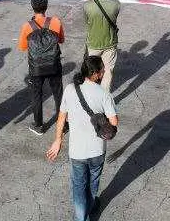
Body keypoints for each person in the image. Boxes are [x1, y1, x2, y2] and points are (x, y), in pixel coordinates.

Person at [46, 55, 119, 221]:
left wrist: (58, 140)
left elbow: (61, 117)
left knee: (79, 187)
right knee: (93, 180)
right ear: (98, 73)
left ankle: (81, 218)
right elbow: (114, 123)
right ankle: (92, 205)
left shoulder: (71, 89)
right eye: (103, 69)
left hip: (77, 151)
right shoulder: (104, 94)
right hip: (97, 150)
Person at [19, 0, 65, 134]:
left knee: (37, 95)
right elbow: (61, 40)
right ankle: (63, 124)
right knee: (58, 94)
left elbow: (22, 46)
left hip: (36, 67)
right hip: (54, 64)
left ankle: (38, 125)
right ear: (46, 7)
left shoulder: (27, 26)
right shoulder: (56, 21)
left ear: (32, 7)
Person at [83, 0, 121, 91]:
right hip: (109, 43)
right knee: (108, 71)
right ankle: (103, 97)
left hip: (93, 43)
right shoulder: (116, 4)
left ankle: (90, 94)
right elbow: (113, 18)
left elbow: (87, 22)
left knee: (92, 70)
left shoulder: (87, 5)